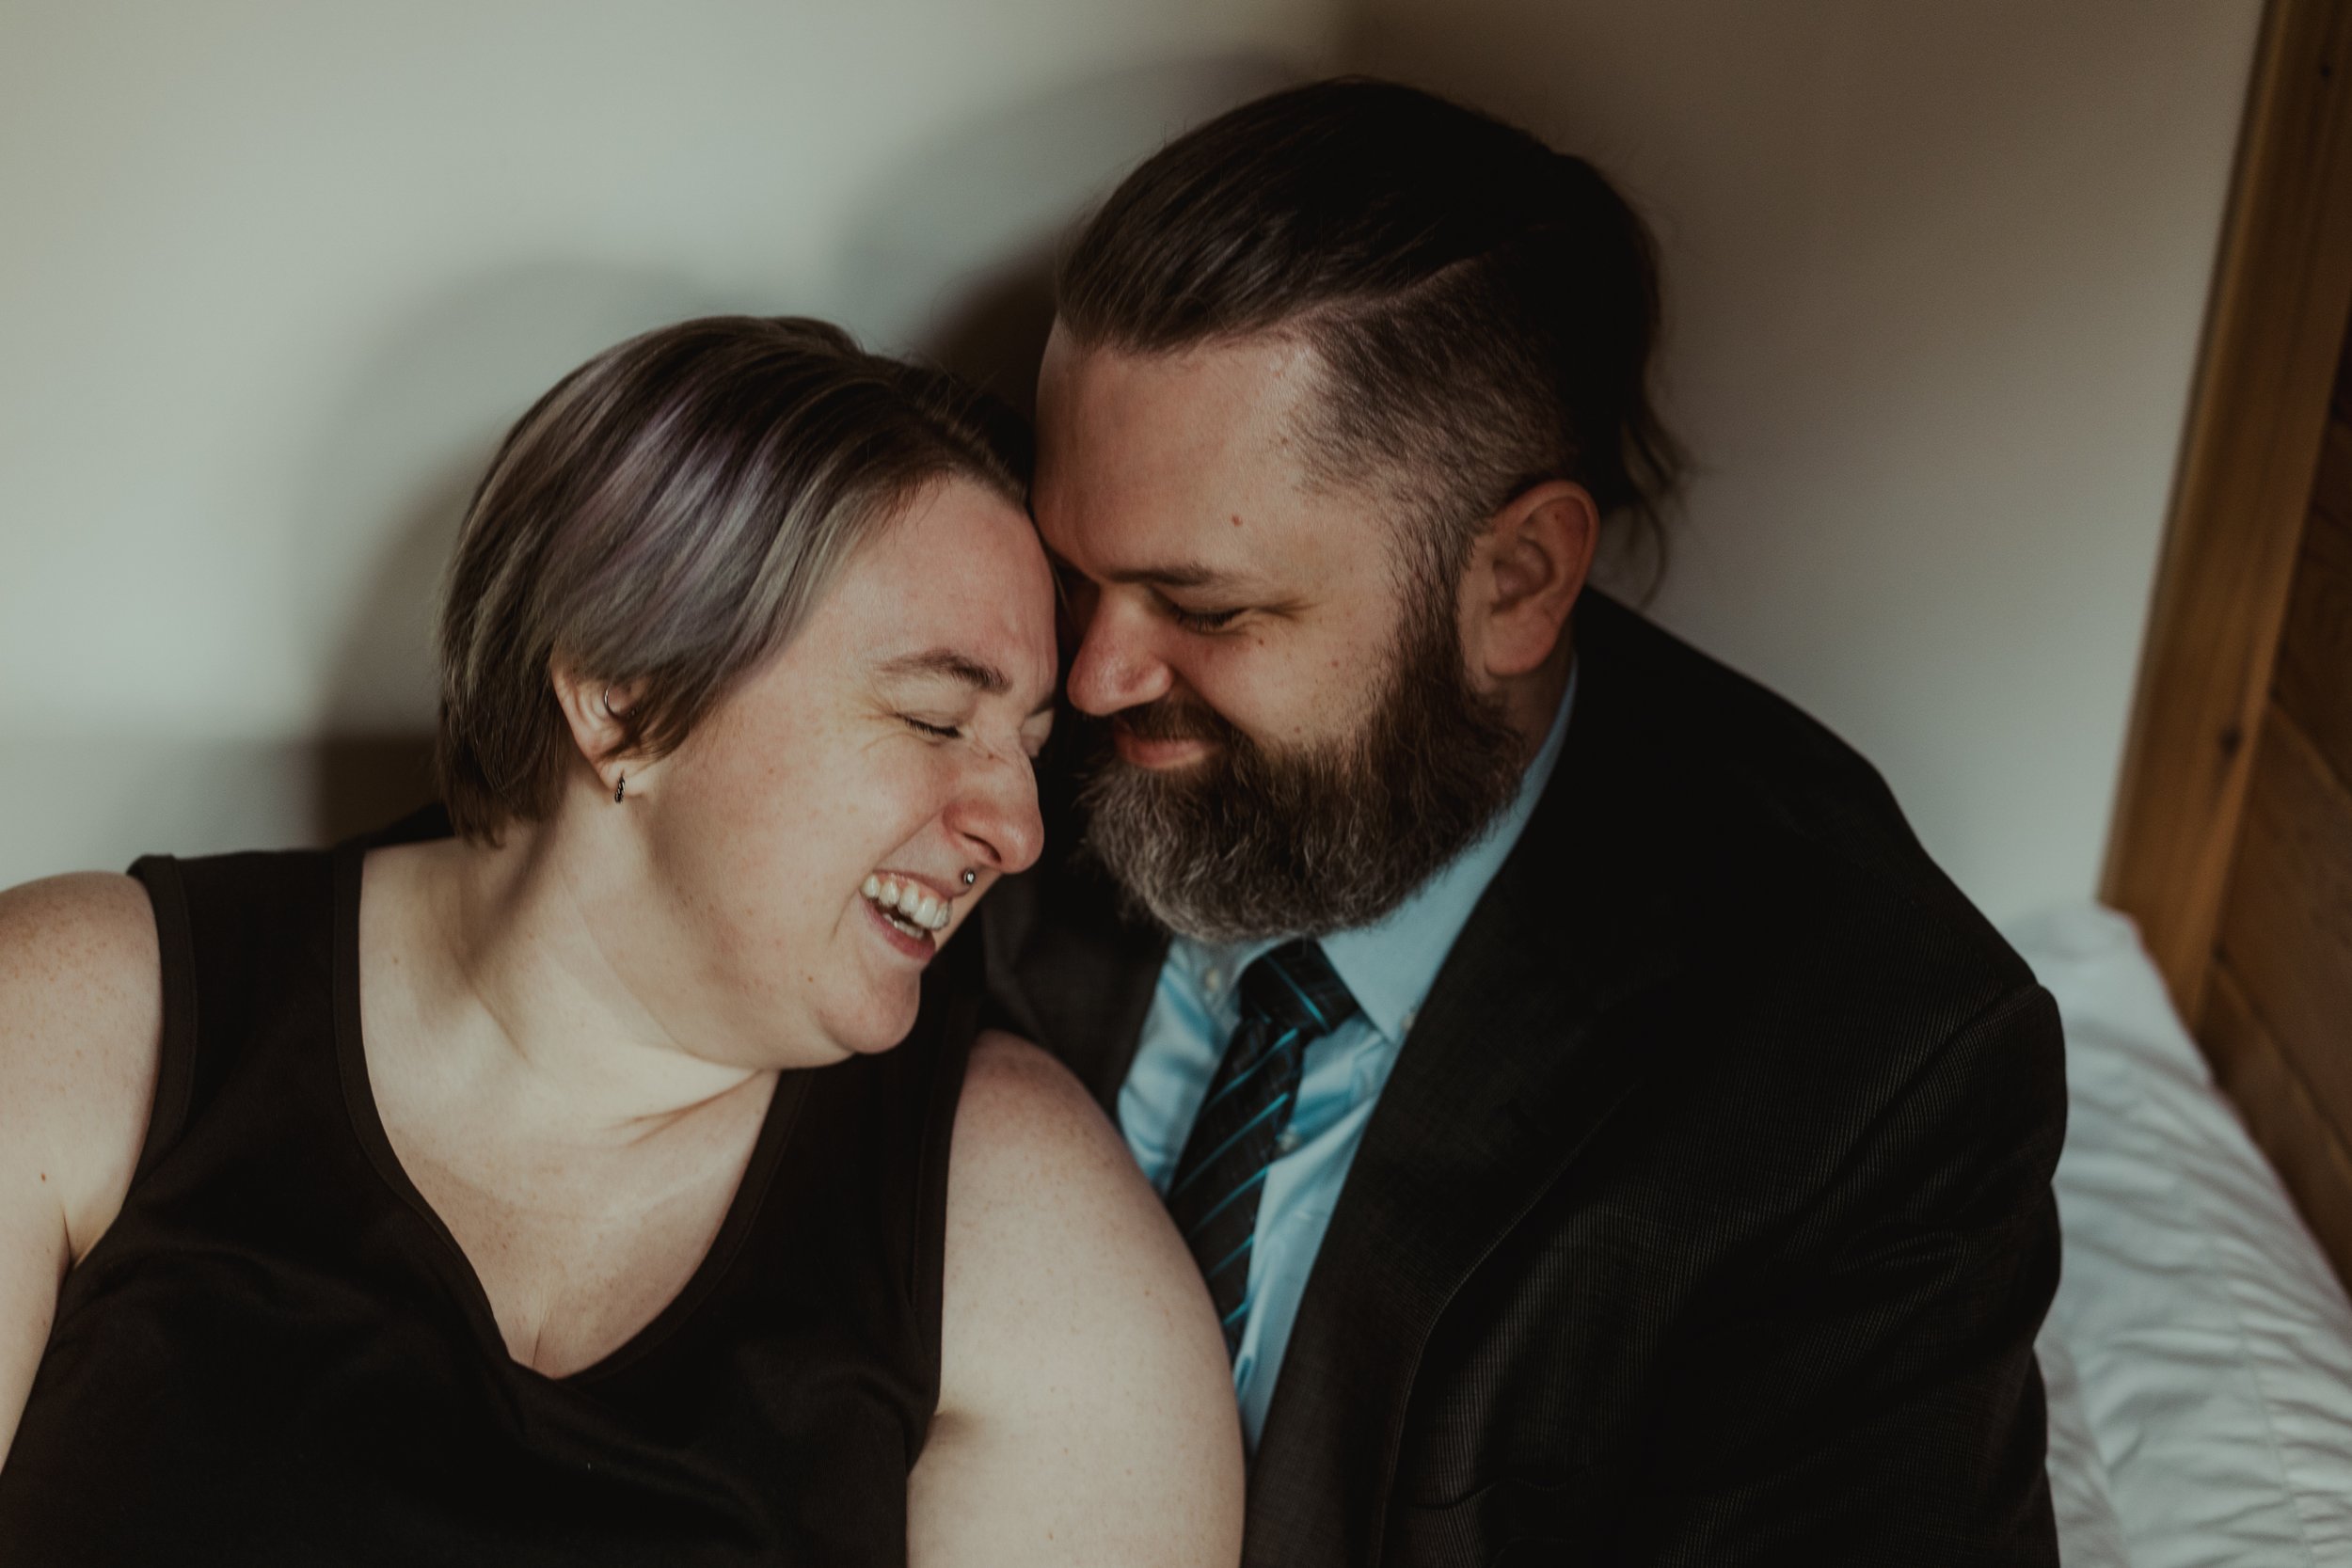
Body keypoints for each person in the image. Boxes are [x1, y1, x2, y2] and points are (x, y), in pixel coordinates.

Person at [983, 79, 2067, 1564]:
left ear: (1516, 582)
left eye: (1208, 607)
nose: (1091, 679)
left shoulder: (1863, 1079)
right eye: (1075, 574)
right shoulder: (998, 719)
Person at [0, 317, 1244, 1565]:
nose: (1017, 833)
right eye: (933, 718)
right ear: (624, 700)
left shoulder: (1033, 1237)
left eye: (1031, 750)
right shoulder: (81, 1015)